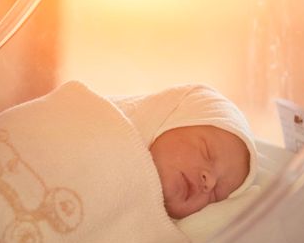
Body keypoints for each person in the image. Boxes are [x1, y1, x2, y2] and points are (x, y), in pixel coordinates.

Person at [110, 84, 258, 219]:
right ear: (169, 117)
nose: (210, 182)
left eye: (216, 194)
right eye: (207, 153)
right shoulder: (100, 127)